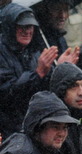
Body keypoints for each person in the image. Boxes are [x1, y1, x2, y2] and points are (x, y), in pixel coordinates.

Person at [0, 4, 62, 139]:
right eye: (22, 27)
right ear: (10, 26)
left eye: (30, 26)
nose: (27, 31)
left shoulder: (33, 51)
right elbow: (7, 95)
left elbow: (46, 89)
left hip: (33, 124)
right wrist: (37, 74)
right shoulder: (2, 53)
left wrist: (59, 69)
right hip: (8, 129)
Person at [50, 63, 82, 154]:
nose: (81, 92)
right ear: (61, 91)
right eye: (74, 86)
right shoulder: (51, 128)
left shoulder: (79, 122)